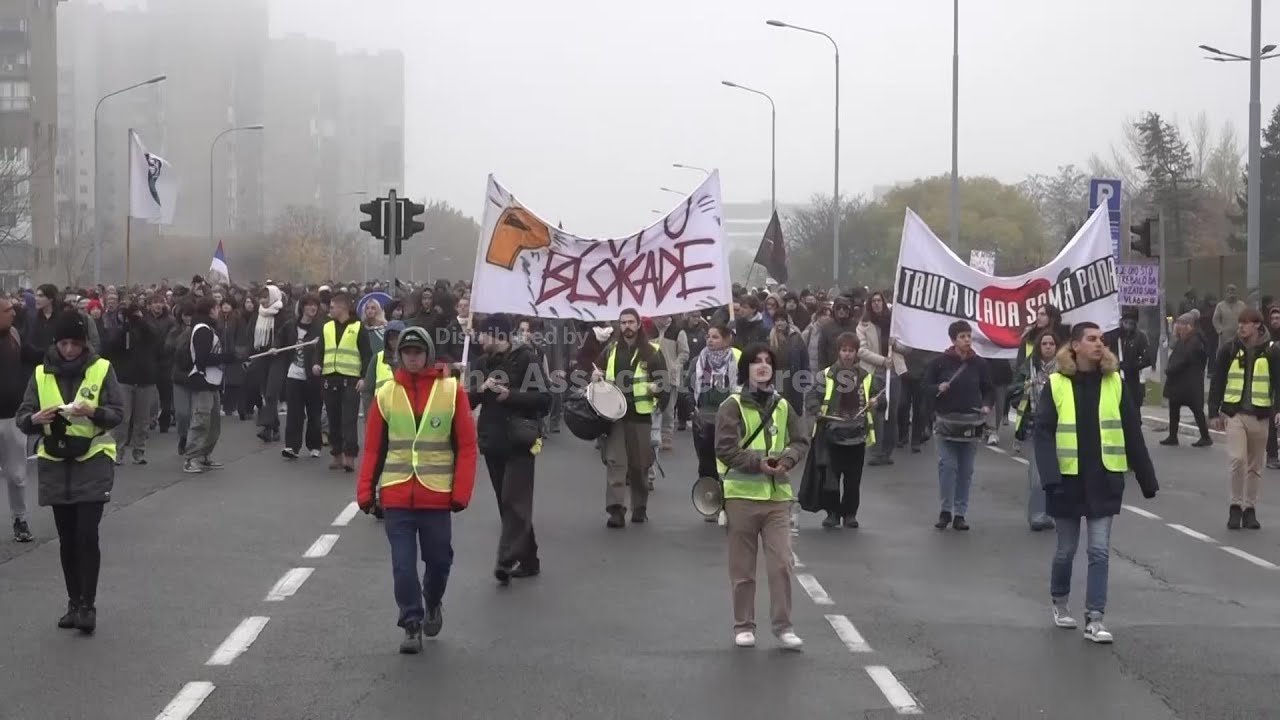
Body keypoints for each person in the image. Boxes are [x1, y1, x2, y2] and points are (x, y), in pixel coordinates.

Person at [1034, 322, 1158, 643]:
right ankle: (1060, 602)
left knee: (1099, 551)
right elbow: (1044, 433)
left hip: (1104, 479)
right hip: (1067, 481)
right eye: (1091, 339)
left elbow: (1131, 430)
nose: (1099, 344)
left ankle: (1095, 619)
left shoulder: (1115, 381)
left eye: (1102, 339)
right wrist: (1050, 478)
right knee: (1066, 549)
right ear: (1075, 346)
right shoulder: (1057, 383)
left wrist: (1146, 478)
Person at [356, 326, 477, 653]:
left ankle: (433, 601)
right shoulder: (385, 394)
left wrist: (462, 491)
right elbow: (373, 449)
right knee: (403, 565)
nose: (412, 357)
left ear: (428, 354)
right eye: (406, 352)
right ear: (400, 355)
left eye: (417, 352)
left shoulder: (452, 391)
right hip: (397, 496)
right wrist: (366, 490)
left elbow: (467, 447)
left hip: (437, 496)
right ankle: (411, 623)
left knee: (439, 561)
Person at [15, 310, 125, 635]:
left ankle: (88, 605)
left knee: (86, 535)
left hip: (92, 459)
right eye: (63, 343)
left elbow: (117, 413)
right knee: (66, 539)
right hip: (55, 461)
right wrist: (35, 419)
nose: (69, 350)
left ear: (84, 343)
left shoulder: (102, 369)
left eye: (75, 344)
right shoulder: (39, 374)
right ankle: (73, 602)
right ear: (56, 343)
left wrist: (95, 412)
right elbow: (23, 415)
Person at [715, 343, 809, 651]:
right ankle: (744, 625)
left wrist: (789, 460)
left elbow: (800, 439)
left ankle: (783, 627)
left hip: (777, 497)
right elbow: (725, 448)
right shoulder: (732, 405)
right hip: (741, 495)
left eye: (768, 361)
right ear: (747, 370)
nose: (763, 366)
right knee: (742, 568)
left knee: (781, 563)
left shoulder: (783, 405)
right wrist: (759, 464)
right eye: (756, 362)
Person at [470, 314, 550, 584]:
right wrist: (481, 390)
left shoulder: (527, 359)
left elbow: (545, 399)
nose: (479, 339)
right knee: (507, 505)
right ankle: (529, 560)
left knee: (514, 501)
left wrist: (510, 395)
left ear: (498, 335)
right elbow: (468, 401)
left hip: (519, 440)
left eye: (483, 334)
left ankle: (505, 559)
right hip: (492, 442)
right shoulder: (481, 363)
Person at [595, 308, 669, 528]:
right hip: (614, 416)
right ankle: (616, 510)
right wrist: (594, 377)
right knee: (616, 464)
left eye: (630, 322)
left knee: (639, 466)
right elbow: (594, 372)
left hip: (640, 416)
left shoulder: (653, 352)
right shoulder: (611, 350)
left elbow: (664, 385)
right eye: (623, 322)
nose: (626, 326)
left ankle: (639, 507)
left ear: (638, 325)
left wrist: (657, 389)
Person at [1208, 308, 1280, 530]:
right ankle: (1235, 507)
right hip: (1236, 414)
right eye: (1240, 323)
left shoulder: (1272, 351)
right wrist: (1213, 412)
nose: (1241, 327)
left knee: (1255, 466)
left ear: (1258, 325)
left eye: (1246, 323)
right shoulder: (1228, 349)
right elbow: (1217, 381)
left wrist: (1278, 409)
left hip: (1261, 416)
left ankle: (1250, 510)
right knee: (1237, 460)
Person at [923, 320, 992, 531]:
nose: (967, 340)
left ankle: (960, 513)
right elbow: (925, 388)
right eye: (962, 336)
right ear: (953, 340)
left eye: (969, 336)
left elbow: (989, 389)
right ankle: (945, 511)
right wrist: (938, 387)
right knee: (947, 466)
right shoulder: (940, 363)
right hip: (946, 423)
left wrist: (987, 405)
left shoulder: (979, 364)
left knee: (966, 470)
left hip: (971, 424)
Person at [807, 332, 876, 529]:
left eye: (851, 350)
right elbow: (811, 396)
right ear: (838, 352)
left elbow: (881, 400)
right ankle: (833, 514)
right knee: (832, 478)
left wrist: (876, 402)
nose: (847, 354)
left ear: (856, 353)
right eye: (844, 350)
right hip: (832, 434)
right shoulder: (826, 375)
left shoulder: (866, 377)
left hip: (857, 436)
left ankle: (850, 514)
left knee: (853, 479)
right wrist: (816, 409)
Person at [313, 292, 372, 472]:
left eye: (332, 307)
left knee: (349, 419)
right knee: (333, 419)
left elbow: (366, 354)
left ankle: (349, 456)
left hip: (351, 379)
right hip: (330, 378)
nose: (329, 310)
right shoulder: (327, 327)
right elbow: (320, 349)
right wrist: (316, 363)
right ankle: (336, 455)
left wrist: (364, 377)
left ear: (342, 308)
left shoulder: (358, 327)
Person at [1010, 330, 1059, 531]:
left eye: (1052, 343)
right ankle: (1038, 515)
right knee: (1038, 475)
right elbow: (1012, 391)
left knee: (1057, 475)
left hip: (1061, 427)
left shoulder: (1065, 367)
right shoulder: (1028, 367)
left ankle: (1053, 513)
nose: (1048, 347)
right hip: (1035, 425)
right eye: (1044, 344)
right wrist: (1026, 387)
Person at [691, 325, 739, 523]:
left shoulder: (736, 359)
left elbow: (741, 385)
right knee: (706, 461)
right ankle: (710, 502)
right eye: (708, 337)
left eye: (715, 337)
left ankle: (729, 503)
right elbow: (689, 385)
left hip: (727, 417)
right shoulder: (699, 360)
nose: (710, 341)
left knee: (727, 461)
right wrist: (690, 405)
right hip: (703, 417)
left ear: (727, 340)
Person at [103, 300, 161, 465]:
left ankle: (139, 450)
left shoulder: (148, 328)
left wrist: (139, 321)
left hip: (145, 379)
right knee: (123, 418)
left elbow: (155, 338)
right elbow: (110, 347)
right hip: (124, 379)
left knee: (142, 419)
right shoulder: (119, 330)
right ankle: (117, 451)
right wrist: (124, 329)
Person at [182, 297, 233, 474]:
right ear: (210, 310)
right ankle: (192, 457)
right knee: (201, 420)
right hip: (202, 381)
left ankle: (204, 455)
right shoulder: (202, 330)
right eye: (216, 307)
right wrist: (225, 358)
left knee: (213, 423)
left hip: (213, 381)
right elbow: (202, 358)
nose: (219, 310)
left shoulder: (210, 328)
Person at [0, 295, 31, 542]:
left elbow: (33, 356)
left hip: (14, 417)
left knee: (17, 475)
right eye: (8, 310)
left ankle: (20, 519)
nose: (14, 312)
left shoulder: (15, 336)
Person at [281, 295, 325, 460]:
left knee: (314, 412)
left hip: (313, 375)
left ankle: (314, 445)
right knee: (294, 413)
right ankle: (292, 446)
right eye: (309, 305)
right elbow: (280, 342)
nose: (312, 308)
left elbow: (324, 350)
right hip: (294, 374)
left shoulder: (321, 328)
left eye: (315, 305)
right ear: (302, 307)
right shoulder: (290, 326)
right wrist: (274, 348)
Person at [1161, 313, 1212, 447]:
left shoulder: (1195, 340)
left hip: (1190, 381)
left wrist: (1171, 369)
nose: (1178, 327)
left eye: (1180, 325)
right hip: (1180, 381)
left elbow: (1186, 358)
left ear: (1188, 326)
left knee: (1196, 409)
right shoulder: (1183, 339)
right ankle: (1172, 436)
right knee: (1174, 406)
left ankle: (1205, 437)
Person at [248, 285, 288, 443]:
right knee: (266, 394)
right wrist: (248, 355)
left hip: (278, 357)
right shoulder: (257, 315)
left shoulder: (282, 315)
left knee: (272, 392)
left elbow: (285, 334)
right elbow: (250, 335)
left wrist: (277, 346)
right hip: (262, 357)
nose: (262, 301)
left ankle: (266, 427)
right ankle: (275, 427)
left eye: (265, 297)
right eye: (261, 297)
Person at [653, 314, 689, 451]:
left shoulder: (678, 331)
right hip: (652, 374)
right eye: (658, 316)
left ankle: (667, 434)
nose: (659, 319)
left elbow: (684, 353)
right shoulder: (649, 330)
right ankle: (652, 433)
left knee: (668, 408)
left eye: (663, 316)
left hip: (670, 375)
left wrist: (676, 365)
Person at [1105, 307, 1153, 407]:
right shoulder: (1114, 336)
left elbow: (1147, 358)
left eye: (1131, 323)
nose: (1128, 326)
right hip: (1114, 377)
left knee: (1133, 408)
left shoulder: (1140, 337)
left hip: (1132, 381)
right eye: (1126, 322)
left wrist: (1132, 366)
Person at [1213, 284, 1248, 351]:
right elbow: (1215, 320)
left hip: (1239, 335)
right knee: (1224, 354)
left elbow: (1247, 317)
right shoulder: (1220, 305)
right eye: (1230, 292)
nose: (1232, 295)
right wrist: (1220, 331)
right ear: (1226, 293)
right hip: (1225, 337)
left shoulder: (1242, 305)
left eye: (1233, 292)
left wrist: (1244, 329)